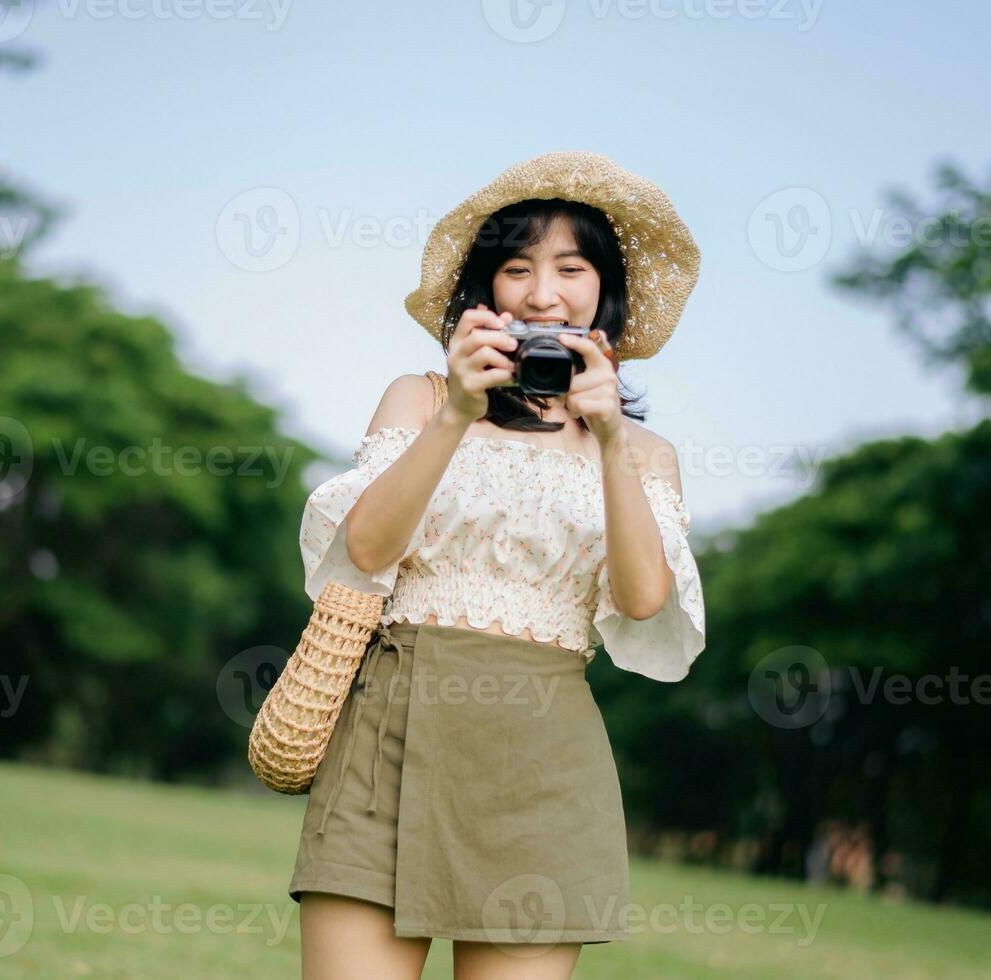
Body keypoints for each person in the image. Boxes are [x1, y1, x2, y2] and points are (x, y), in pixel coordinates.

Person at [288, 151, 708, 979]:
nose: (541, 292)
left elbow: (640, 597)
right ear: (484, 291)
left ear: (604, 291)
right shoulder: (420, 397)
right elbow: (365, 552)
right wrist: (457, 412)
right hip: (387, 740)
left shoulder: (645, 452)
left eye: (569, 268)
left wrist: (612, 438)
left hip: (545, 771)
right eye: (516, 268)